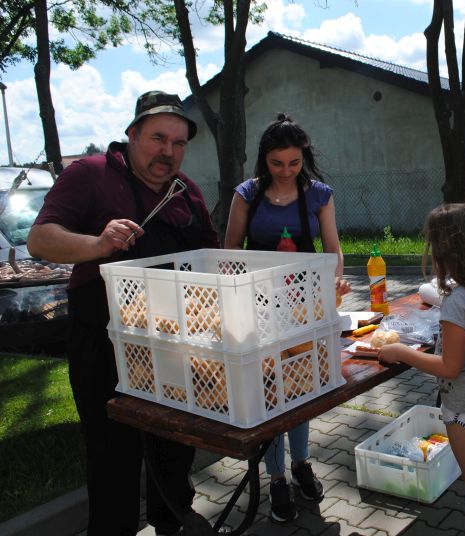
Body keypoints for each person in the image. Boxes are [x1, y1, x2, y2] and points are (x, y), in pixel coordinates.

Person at [27, 91, 219, 535]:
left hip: (172, 342)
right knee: (113, 451)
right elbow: (40, 239)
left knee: (176, 439)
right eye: (157, 138)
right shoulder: (91, 174)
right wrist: (97, 243)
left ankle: (172, 517)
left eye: (178, 142)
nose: (168, 151)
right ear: (132, 134)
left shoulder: (185, 191)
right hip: (103, 339)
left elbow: (210, 255)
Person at [224, 113, 350, 522]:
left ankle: (301, 464)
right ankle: (276, 476)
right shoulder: (247, 194)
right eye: (277, 163)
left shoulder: (319, 195)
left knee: (302, 386)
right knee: (270, 391)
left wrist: (335, 279)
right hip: (258, 306)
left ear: (304, 158)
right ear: (264, 159)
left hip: (304, 307)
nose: (285, 171)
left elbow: (332, 248)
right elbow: (230, 250)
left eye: (294, 163)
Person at [378, 203, 465, 536]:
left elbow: (450, 366)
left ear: (444, 250)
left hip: (464, 404)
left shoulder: (457, 301)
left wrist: (402, 352)